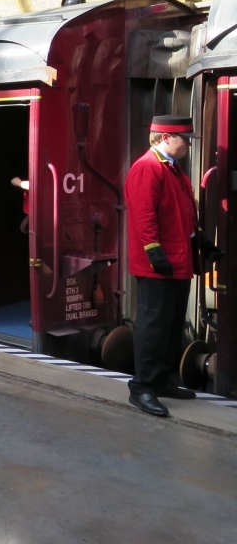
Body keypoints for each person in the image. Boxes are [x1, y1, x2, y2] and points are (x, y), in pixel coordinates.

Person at [124, 115, 222, 417]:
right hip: (159, 266)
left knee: (170, 325)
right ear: (166, 137)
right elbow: (144, 219)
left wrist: (202, 241)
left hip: (178, 263)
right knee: (153, 327)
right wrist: (155, 254)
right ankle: (141, 386)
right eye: (185, 139)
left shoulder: (171, 169)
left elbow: (182, 216)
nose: (188, 145)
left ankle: (162, 379)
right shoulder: (148, 168)